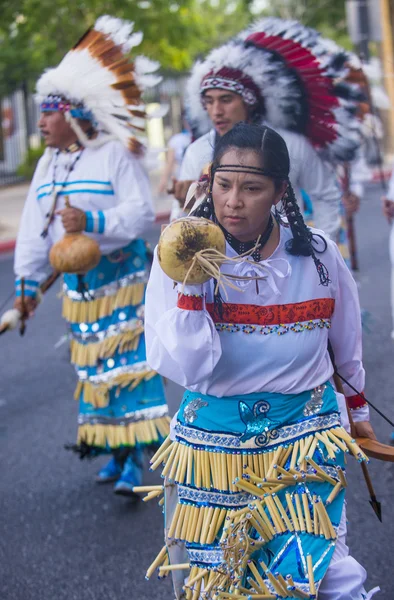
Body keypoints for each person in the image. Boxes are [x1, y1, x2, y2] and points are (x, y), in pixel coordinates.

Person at [144, 123, 378, 599]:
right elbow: (189, 367)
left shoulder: (317, 256)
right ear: (208, 182)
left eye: (251, 188)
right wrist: (192, 285)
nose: (233, 201)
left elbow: (346, 349)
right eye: (224, 185)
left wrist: (358, 418)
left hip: (302, 448)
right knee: (222, 584)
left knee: (307, 578)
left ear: (279, 192)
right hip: (212, 451)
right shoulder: (178, 259)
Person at [12, 16, 169, 496]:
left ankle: (136, 459)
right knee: (95, 373)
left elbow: (143, 213)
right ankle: (115, 450)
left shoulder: (112, 156)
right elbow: (34, 228)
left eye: (47, 112)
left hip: (121, 282)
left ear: (74, 115)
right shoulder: (49, 163)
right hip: (81, 291)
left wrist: (93, 224)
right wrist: (25, 284)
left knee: (127, 368)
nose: (40, 121)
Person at [171, 18, 365, 242]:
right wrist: (185, 203)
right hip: (222, 265)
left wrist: (318, 249)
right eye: (209, 101)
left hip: (287, 259)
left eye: (225, 100)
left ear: (249, 102)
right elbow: (184, 222)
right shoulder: (198, 151)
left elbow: (326, 196)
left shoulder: (292, 145)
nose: (216, 111)